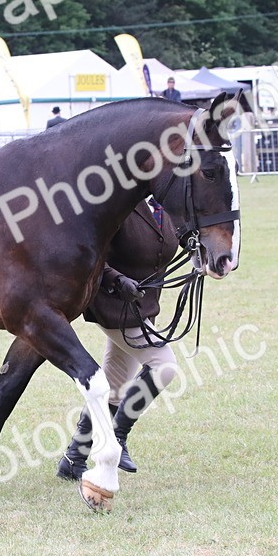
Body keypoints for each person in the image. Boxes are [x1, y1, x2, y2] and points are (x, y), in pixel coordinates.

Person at [57, 198, 182, 481]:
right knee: (163, 366)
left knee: (114, 384)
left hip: (142, 306)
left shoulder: (163, 204)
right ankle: (117, 435)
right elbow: (87, 252)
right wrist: (115, 279)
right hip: (112, 302)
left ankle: (74, 457)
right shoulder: (119, 201)